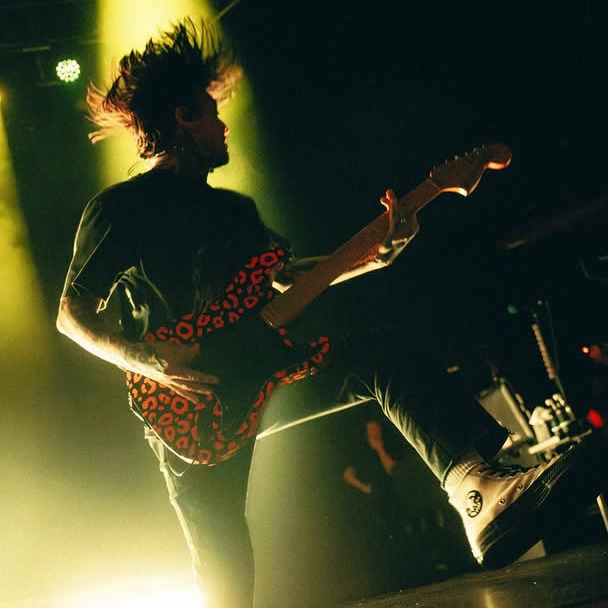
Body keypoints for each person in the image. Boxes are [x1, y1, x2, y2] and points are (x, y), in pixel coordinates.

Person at [56, 18, 607, 608]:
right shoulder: (119, 209)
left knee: (373, 349)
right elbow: (71, 313)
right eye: (212, 114)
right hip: (188, 407)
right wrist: (146, 360)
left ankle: (477, 492)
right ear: (183, 117)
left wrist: (377, 255)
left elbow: (287, 281)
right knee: (226, 578)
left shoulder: (233, 212)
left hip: (263, 372)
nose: (223, 126)